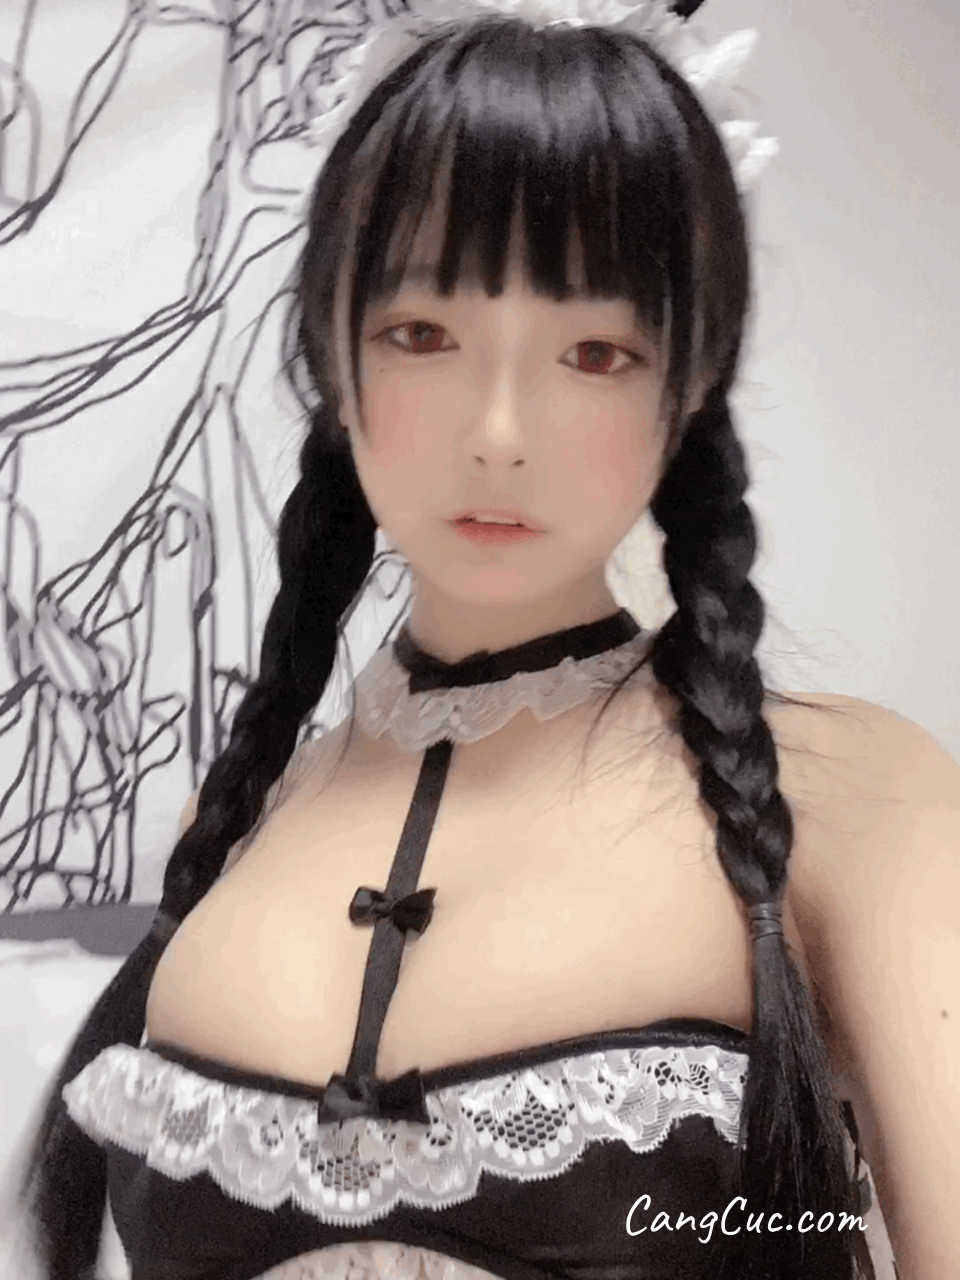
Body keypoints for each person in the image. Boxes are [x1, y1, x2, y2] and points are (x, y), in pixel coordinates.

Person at [10, 1, 959, 1277]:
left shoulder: (858, 801)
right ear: (332, 358)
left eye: (594, 350)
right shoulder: (230, 831)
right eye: (423, 334)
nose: (500, 432)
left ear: (689, 384)